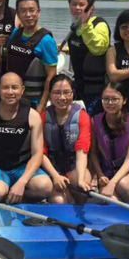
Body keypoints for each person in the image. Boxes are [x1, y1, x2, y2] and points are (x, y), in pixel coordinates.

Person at [0, 72, 52, 207]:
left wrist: (22, 182)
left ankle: (17, 197)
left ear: (22, 90)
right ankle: (4, 195)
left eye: (14, 87)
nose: (10, 92)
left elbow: (37, 154)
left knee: (44, 186)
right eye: (5, 87)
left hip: (22, 167)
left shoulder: (32, 115)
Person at [2, 0, 59, 111]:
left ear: (38, 12)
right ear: (18, 14)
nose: (28, 15)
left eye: (31, 10)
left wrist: (41, 106)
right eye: (23, 11)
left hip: (33, 101)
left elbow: (51, 76)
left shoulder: (46, 40)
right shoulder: (15, 33)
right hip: (11, 97)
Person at [41, 74, 92, 203]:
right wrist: (55, 176)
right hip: (52, 168)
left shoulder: (82, 116)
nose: (62, 97)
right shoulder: (43, 117)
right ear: (50, 94)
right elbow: (40, 153)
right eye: (57, 93)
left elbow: (82, 150)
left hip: (73, 166)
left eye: (66, 92)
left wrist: (80, 179)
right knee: (59, 201)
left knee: (83, 183)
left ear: (73, 93)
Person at [90, 82, 129, 203]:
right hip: (107, 175)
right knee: (111, 201)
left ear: (124, 100)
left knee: (123, 185)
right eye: (106, 99)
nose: (110, 103)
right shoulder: (95, 121)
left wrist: (113, 182)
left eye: (114, 99)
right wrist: (100, 174)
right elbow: (93, 153)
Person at [65, 0, 110, 115]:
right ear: (69, 6)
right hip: (79, 87)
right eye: (74, 4)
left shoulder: (99, 24)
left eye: (82, 5)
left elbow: (98, 49)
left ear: (91, 8)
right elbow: (79, 47)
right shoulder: (74, 28)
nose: (77, 8)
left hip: (97, 90)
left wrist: (85, 24)